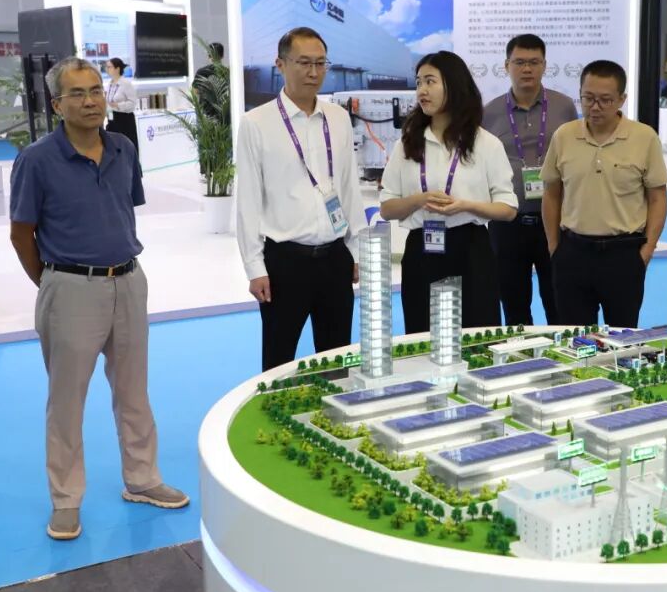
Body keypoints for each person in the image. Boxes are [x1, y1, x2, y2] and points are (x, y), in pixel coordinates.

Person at [9, 57, 188, 541]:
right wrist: (53, 283)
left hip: (128, 281)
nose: (90, 101)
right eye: (77, 94)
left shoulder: (123, 148)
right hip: (70, 288)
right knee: (67, 402)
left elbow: (123, 209)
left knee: (134, 392)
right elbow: (21, 234)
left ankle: (143, 478)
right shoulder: (36, 160)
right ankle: (66, 500)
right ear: (56, 104)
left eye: (95, 90)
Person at [235, 27, 366, 372]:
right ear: (280, 64)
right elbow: (247, 201)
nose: (313, 72)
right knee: (278, 363)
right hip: (284, 263)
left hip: (335, 259)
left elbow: (349, 188)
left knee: (336, 361)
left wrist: (356, 250)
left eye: (321, 63)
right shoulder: (256, 123)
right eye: (304, 63)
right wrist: (254, 268)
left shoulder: (338, 118)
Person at [380, 51, 518, 334]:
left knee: (476, 335)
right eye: (419, 82)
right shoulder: (407, 144)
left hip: (471, 250)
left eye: (430, 81)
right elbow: (387, 208)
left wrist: (466, 205)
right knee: (423, 335)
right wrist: (419, 200)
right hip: (422, 251)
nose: (422, 90)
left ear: (454, 85)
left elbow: (508, 208)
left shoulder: (485, 143)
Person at [540, 60, 667, 328]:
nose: (595, 107)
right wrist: (554, 247)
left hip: (623, 255)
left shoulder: (644, 137)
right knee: (574, 338)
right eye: (588, 98)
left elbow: (657, 198)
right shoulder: (564, 135)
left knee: (622, 338)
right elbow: (551, 194)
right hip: (573, 252)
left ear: (622, 99)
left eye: (605, 100)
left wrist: (647, 251)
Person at [482, 34, 578, 326]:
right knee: (514, 307)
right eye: (520, 62)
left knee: (559, 303)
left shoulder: (564, 107)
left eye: (534, 62)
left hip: (556, 220)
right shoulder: (489, 113)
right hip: (507, 224)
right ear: (506, 65)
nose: (527, 69)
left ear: (544, 65)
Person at [104, 58, 139, 153]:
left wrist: (117, 105)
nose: (107, 69)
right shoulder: (109, 84)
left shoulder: (125, 83)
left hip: (124, 120)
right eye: (106, 67)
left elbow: (132, 103)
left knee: (126, 148)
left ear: (117, 69)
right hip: (112, 119)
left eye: (109, 67)